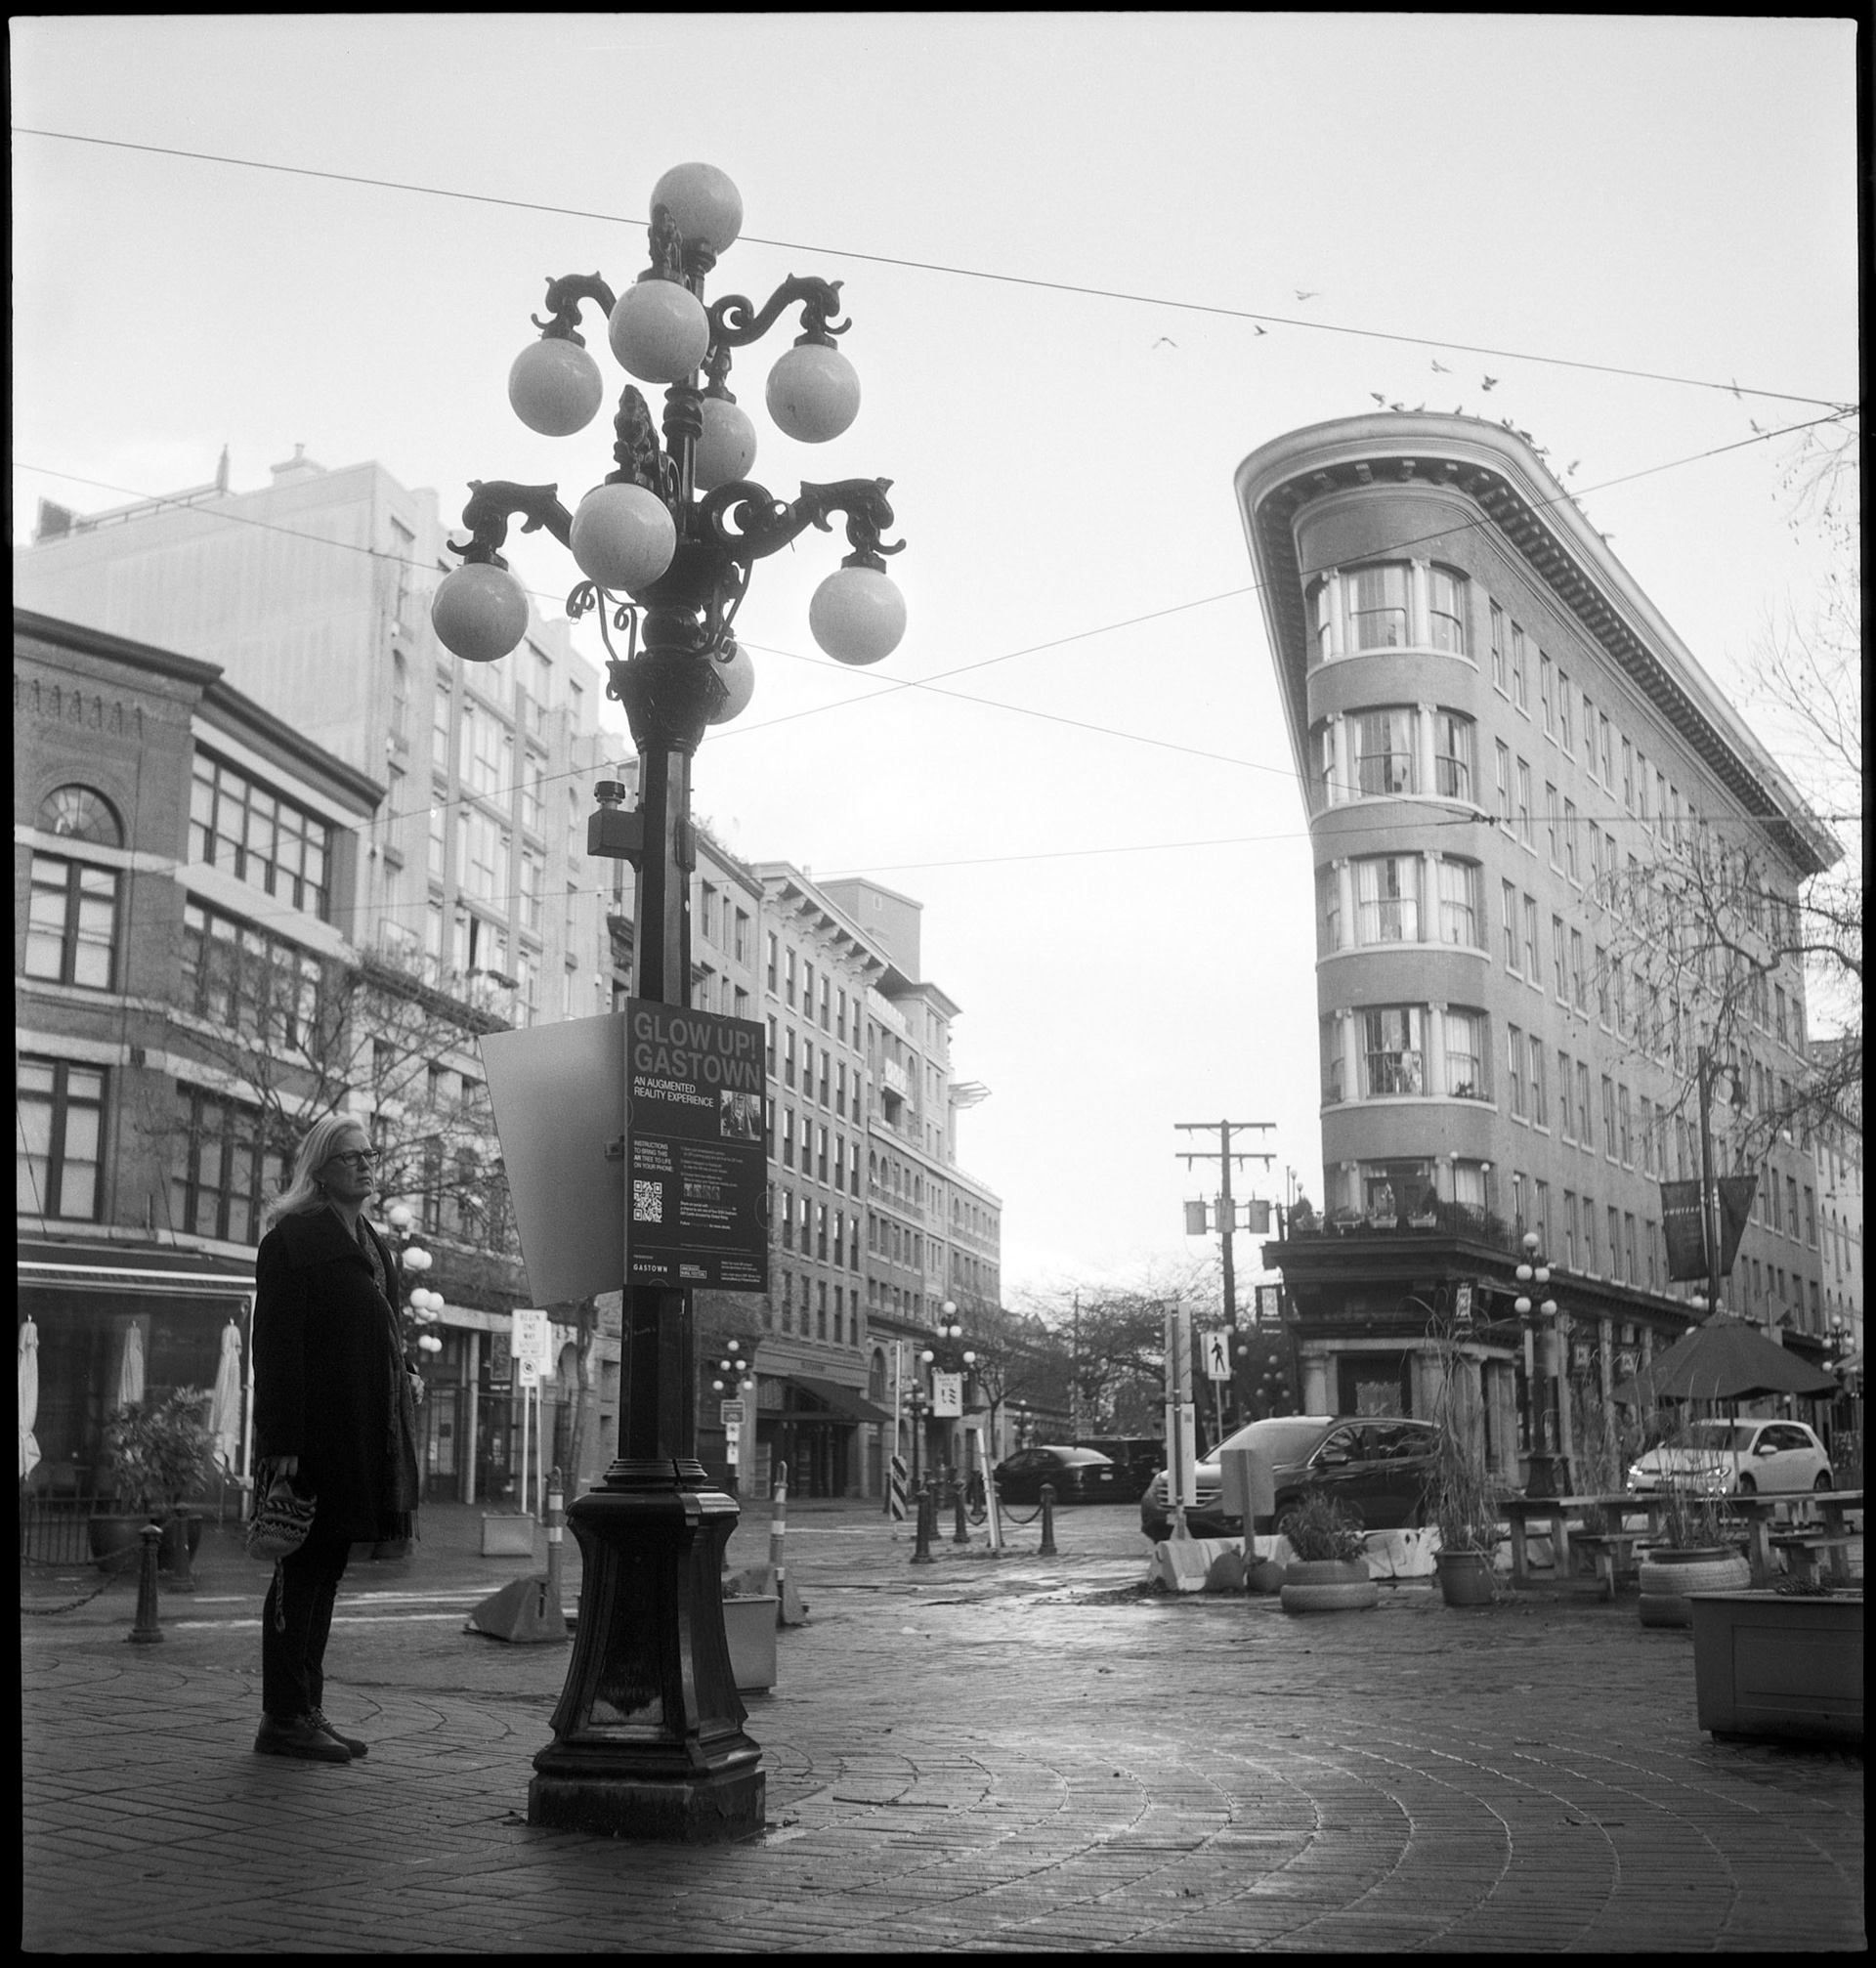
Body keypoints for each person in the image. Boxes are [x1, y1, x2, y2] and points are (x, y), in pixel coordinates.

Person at [251, 1114, 422, 1763]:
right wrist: (282, 1438)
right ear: (320, 1169)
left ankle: (306, 1708)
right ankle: (284, 1715)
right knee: (301, 1567)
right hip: (315, 1432)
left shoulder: (373, 1245)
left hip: (363, 1432)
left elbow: (384, 1332)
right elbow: (275, 1345)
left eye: (369, 1154)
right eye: (351, 1157)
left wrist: (402, 1374)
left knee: (327, 1570)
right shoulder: (292, 1240)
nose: (366, 1164)